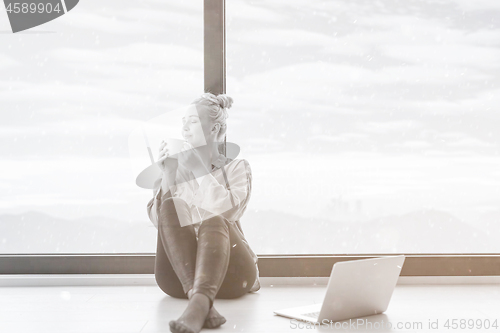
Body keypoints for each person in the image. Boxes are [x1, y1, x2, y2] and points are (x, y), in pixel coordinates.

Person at [146, 93, 260, 333]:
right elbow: (161, 224)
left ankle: (197, 305)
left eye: (193, 121)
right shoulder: (176, 170)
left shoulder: (238, 167)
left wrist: (201, 170)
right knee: (170, 205)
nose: (185, 127)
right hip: (178, 278)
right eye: (183, 121)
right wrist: (167, 176)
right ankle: (200, 301)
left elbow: (230, 210)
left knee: (214, 218)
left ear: (215, 128)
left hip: (233, 276)